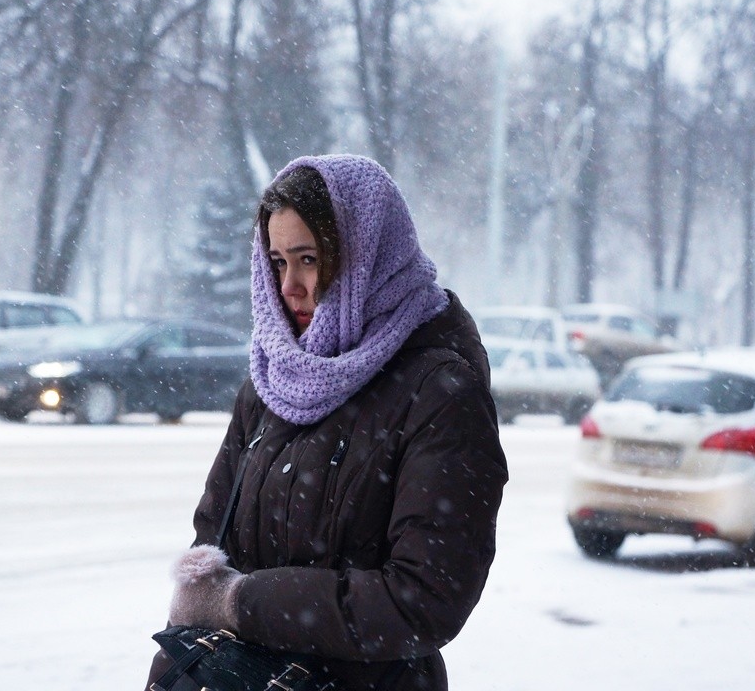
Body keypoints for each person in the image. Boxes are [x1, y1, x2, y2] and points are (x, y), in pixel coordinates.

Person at [145, 154, 508, 690]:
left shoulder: (440, 391)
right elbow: (213, 553)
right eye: (276, 261)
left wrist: (241, 603)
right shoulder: (273, 378)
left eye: (309, 259)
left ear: (365, 256)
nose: (289, 285)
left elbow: (424, 599)